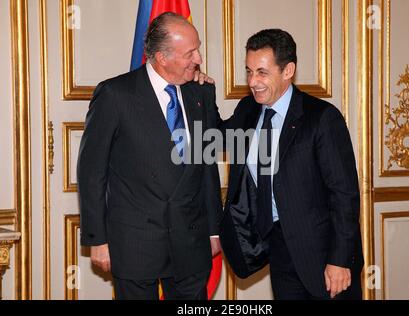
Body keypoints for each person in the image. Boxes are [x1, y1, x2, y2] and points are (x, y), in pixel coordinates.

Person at [77, 12, 222, 300]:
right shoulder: (115, 94)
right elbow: (92, 171)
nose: (199, 59)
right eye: (190, 52)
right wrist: (98, 239)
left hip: (191, 240)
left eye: (198, 48)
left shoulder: (200, 93)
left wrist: (213, 231)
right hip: (135, 243)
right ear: (161, 57)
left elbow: (207, 166)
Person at [219, 29, 364, 300]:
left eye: (262, 72)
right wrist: (197, 88)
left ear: (288, 71)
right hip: (280, 253)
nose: (253, 81)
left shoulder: (321, 118)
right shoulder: (247, 111)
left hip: (324, 256)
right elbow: (212, 138)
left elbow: (344, 195)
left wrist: (340, 260)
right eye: (249, 71)